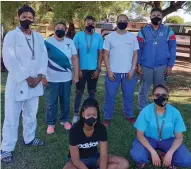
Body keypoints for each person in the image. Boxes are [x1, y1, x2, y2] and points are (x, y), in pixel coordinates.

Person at [1, 5, 48, 163]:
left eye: (30, 17)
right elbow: (9, 59)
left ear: (33, 18)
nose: (27, 19)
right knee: (12, 117)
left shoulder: (39, 37)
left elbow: (44, 56)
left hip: (35, 83)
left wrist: (40, 75)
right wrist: (27, 77)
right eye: (24, 17)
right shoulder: (11, 36)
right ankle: (6, 148)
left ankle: (29, 138)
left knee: (31, 114)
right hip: (18, 83)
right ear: (18, 17)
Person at [130, 84, 191, 169]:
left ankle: (167, 157)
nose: (160, 98)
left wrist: (170, 152)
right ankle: (155, 153)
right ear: (153, 97)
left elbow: (179, 137)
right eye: (157, 95)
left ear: (168, 96)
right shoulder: (145, 111)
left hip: (168, 140)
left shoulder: (175, 112)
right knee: (137, 155)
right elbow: (140, 135)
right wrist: (152, 152)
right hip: (149, 139)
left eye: (164, 95)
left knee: (186, 160)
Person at [63, 98, 129, 169]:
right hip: (79, 161)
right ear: (83, 114)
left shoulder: (101, 128)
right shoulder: (74, 130)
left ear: (97, 115)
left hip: (95, 158)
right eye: (88, 115)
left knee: (123, 163)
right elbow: (76, 160)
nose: (91, 118)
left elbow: (103, 155)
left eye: (94, 115)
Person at [137, 8, 177, 112]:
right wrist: (138, 65)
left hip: (162, 66)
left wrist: (170, 66)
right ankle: (143, 111)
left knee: (161, 91)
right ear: (150, 17)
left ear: (162, 16)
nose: (156, 17)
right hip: (146, 66)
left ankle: (160, 110)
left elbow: (172, 49)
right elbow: (138, 50)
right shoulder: (143, 32)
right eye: (153, 15)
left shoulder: (169, 31)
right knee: (143, 90)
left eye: (158, 15)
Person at [103, 14, 139, 127]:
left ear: (127, 22)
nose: (122, 22)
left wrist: (133, 69)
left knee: (128, 95)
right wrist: (108, 70)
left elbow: (135, 54)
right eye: (120, 20)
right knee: (110, 96)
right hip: (113, 72)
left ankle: (129, 115)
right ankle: (107, 117)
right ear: (117, 22)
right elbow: (105, 55)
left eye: (124, 20)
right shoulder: (109, 37)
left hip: (128, 73)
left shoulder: (132, 37)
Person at [42, 22, 79, 133]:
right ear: (54, 30)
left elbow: (75, 58)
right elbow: (42, 60)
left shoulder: (70, 42)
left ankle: (65, 120)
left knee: (65, 101)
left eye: (62, 28)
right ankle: (51, 123)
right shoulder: (47, 42)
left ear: (66, 30)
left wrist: (76, 75)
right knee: (51, 102)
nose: (60, 30)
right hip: (51, 79)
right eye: (57, 28)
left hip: (66, 78)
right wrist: (43, 76)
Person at [72, 16, 103, 125]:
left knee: (92, 93)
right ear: (84, 24)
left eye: (92, 23)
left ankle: (93, 113)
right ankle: (76, 114)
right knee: (79, 92)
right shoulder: (78, 36)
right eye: (88, 23)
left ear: (94, 25)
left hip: (93, 70)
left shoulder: (98, 37)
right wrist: (78, 69)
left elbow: (100, 54)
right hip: (81, 70)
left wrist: (98, 68)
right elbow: (75, 54)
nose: (90, 25)